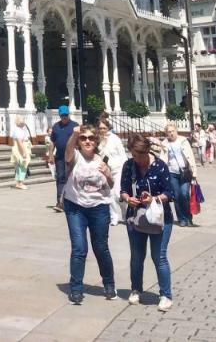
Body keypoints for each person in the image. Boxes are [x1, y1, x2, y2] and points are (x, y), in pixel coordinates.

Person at [61, 124, 116, 304]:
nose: (87, 141)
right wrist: (73, 135)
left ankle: (108, 283)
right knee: (79, 248)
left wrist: (108, 174)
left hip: (99, 207)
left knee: (100, 247)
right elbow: (67, 153)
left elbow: (112, 184)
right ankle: (76, 288)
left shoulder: (102, 159)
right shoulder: (75, 156)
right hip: (75, 206)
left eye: (91, 138)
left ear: (96, 141)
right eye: (83, 138)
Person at [121, 133, 175, 312]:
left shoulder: (160, 166)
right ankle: (136, 289)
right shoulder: (129, 166)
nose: (137, 160)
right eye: (134, 156)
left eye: (140, 156)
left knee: (158, 256)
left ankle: (166, 295)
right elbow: (123, 190)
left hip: (160, 219)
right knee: (137, 256)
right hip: (135, 218)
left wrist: (153, 199)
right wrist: (128, 198)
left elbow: (170, 193)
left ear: (146, 152)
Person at [163, 122, 197, 227]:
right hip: (172, 173)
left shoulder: (183, 141)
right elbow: (162, 158)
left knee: (184, 194)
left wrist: (194, 172)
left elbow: (190, 156)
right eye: (169, 132)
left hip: (185, 172)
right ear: (166, 133)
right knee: (177, 196)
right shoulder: (164, 143)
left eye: (172, 131)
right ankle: (181, 218)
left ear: (176, 131)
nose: (171, 133)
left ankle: (189, 217)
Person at [97, 114, 128, 226]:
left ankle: (125, 214)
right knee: (109, 194)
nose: (102, 130)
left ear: (108, 128)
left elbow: (123, 155)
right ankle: (114, 217)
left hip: (118, 169)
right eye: (100, 128)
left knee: (118, 194)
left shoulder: (115, 139)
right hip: (105, 170)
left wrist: (126, 169)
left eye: (104, 128)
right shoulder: (98, 140)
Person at [46, 105, 79, 212]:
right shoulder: (56, 127)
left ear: (68, 114)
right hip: (59, 157)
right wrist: (50, 155)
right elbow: (52, 142)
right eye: (62, 115)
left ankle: (72, 200)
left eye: (66, 115)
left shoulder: (75, 126)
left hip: (72, 157)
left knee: (72, 178)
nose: (64, 117)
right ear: (59, 115)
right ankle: (60, 202)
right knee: (60, 178)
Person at [11, 115, 33, 189]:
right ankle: (21, 183)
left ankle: (18, 182)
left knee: (18, 167)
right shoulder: (19, 130)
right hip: (20, 150)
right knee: (23, 166)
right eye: (23, 121)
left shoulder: (17, 130)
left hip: (17, 150)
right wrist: (23, 152)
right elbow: (20, 142)